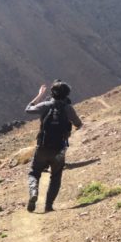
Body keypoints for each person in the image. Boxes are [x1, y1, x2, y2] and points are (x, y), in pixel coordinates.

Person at [24, 81, 83, 212]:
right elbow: (78, 124)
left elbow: (28, 109)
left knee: (34, 172)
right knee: (55, 176)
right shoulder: (68, 108)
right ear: (66, 94)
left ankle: (34, 192)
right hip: (59, 149)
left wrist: (39, 96)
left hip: (42, 147)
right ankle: (48, 206)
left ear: (52, 93)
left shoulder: (45, 105)